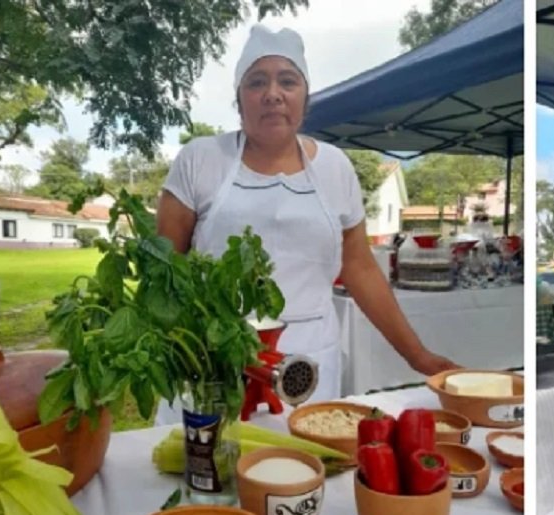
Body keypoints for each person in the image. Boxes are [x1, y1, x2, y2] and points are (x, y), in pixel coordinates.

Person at [154, 25, 457, 426]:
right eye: (256, 82)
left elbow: (360, 267)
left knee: (301, 472)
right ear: (239, 100)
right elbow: (165, 270)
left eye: (288, 81)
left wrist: (417, 355)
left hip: (308, 362)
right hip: (215, 354)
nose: (273, 94)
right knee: (209, 471)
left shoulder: (335, 167)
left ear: (305, 98)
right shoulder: (201, 159)